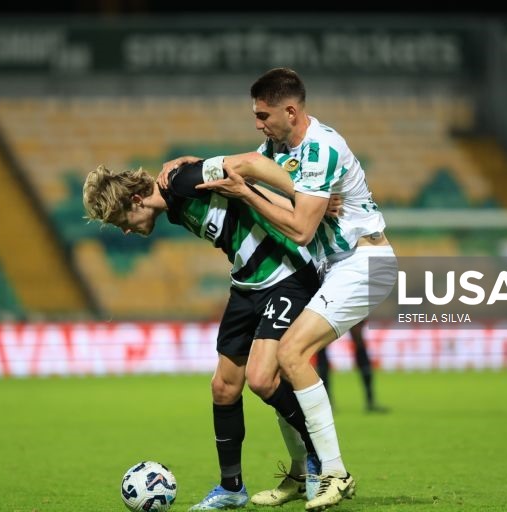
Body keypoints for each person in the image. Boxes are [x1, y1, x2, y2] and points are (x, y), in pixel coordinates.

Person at [161, 67, 398, 511]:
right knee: (265, 374)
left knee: (289, 355)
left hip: (364, 263)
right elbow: (245, 168)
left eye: (263, 114)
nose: (258, 123)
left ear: (291, 110)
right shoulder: (278, 145)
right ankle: (297, 472)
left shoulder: (324, 148)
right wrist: (188, 165)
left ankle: (333, 472)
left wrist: (248, 194)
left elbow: (301, 229)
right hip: (334, 268)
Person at [82, 158, 322, 511]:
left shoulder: (181, 182)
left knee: (262, 378)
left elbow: (249, 165)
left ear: (135, 201)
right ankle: (232, 488)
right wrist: (190, 159)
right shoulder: (175, 202)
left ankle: (320, 462)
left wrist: (303, 203)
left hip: (285, 274)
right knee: (223, 388)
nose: (126, 231)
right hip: (247, 283)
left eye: (122, 222)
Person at [315, 319, 389, 413]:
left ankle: (328, 403)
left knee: (322, 347)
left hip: (328, 307)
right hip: (342, 306)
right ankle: (370, 402)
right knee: (358, 343)